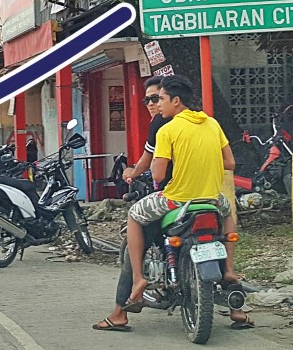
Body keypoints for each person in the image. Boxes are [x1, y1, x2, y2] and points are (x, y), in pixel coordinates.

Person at [122, 75, 241, 312]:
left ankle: (138, 279)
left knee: (134, 215)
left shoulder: (168, 129)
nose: (159, 104)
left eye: (162, 99)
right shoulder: (212, 123)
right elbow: (230, 163)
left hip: (176, 201)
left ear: (176, 101)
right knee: (228, 214)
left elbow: (157, 176)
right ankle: (229, 269)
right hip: (211, 199)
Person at [93, 76, 169, 333]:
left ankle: (123, 307)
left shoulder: (163, 125)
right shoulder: (205, 122)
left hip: (174, 197)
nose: (151, 103)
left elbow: (154, 169)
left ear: (172, 98)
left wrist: (132, 173)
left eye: (156, 98)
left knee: (133, 242)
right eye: (147, 99)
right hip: (210, 197)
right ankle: (237, 306)